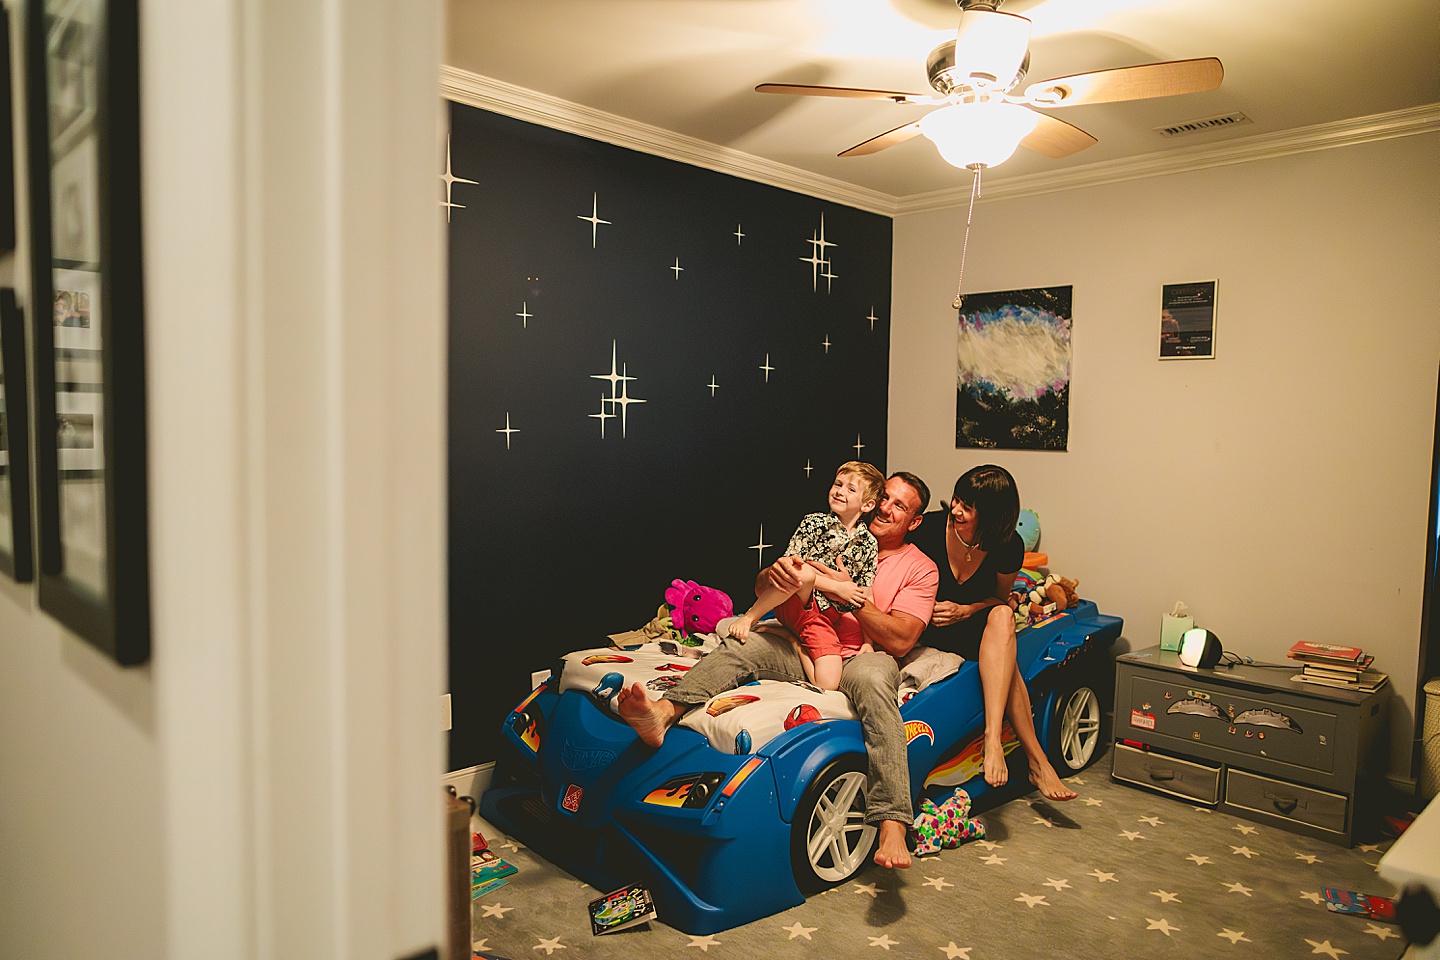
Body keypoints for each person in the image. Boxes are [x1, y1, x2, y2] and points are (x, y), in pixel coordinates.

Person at [617, 472, 940, 870]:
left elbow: (903, 639)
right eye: (886, 497)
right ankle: (663, 713)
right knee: (744, 643)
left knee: (876, 680)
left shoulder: (920, 568)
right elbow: (764, 586)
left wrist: (843, 590)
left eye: (900, 506)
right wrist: (779, 576)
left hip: (860, 653)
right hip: (803, 633)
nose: (887, 508)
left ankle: (892, 821)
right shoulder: (827, 528)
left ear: (915, 520)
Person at [911, 464, 1076, 802]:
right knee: (1008, 668)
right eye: (956, 500)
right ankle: (1038, 761)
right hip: (926, 625)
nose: (955, 510)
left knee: (1002, 615)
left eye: (967, 507)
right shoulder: (927, 528)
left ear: (991, 516)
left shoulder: (1007, 545)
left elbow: (1000, 599)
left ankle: (992, 739)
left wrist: (966, 610)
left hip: (971, 627)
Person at [727, 461, 884, 691]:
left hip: (821, 618)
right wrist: (838, 588)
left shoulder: (869, 543)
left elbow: (864, 595)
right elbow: (790, 568)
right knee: (801, 570)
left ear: (868, 505)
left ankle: (791, 640)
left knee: (828, 683)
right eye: (838, 484)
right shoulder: (814, 522)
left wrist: (868, 642)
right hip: (793, 598)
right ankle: (750, 617)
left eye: (851, 489)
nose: (840, 491)